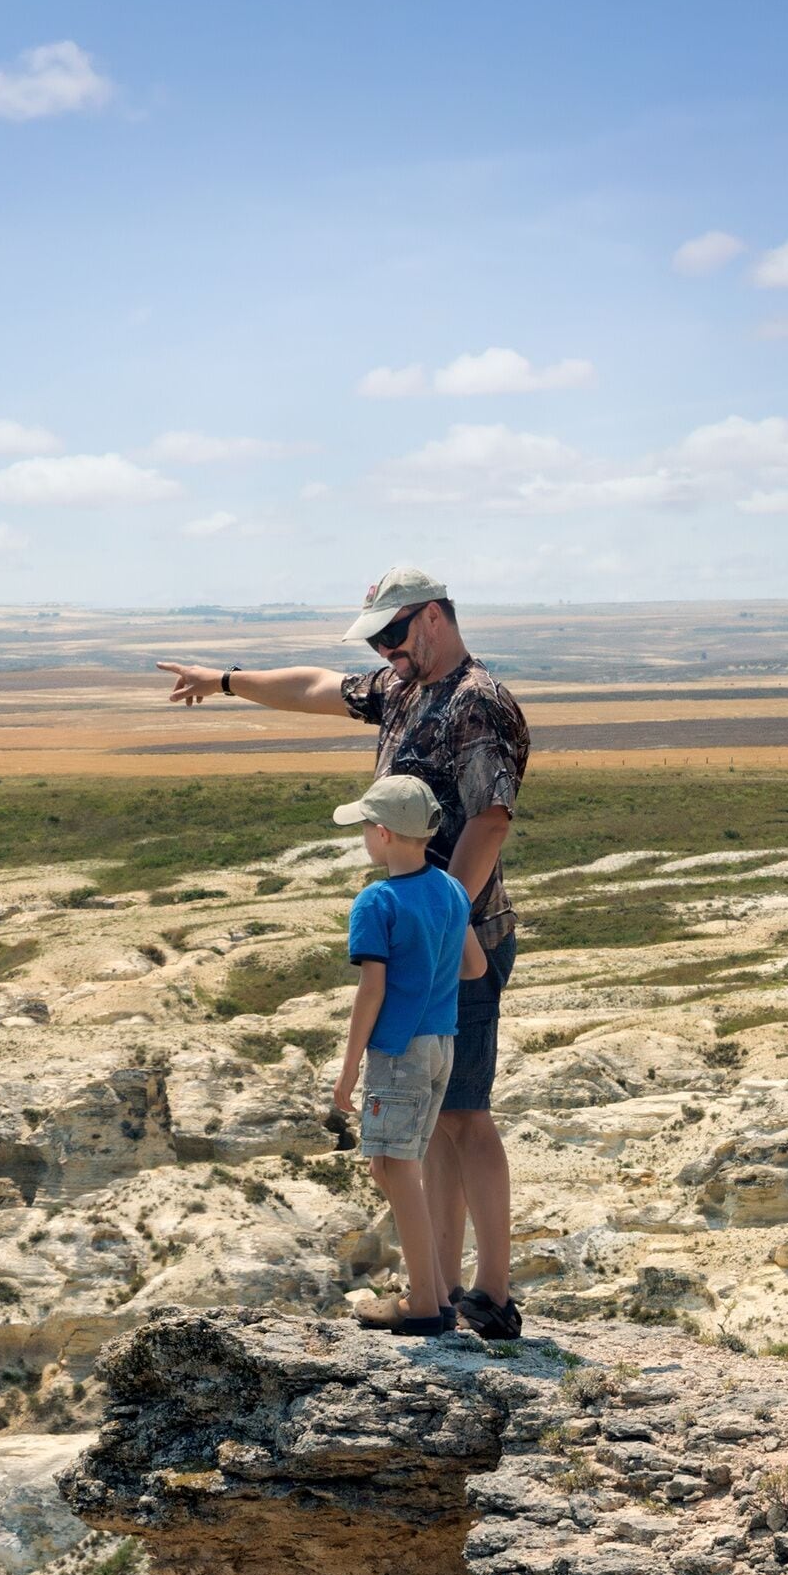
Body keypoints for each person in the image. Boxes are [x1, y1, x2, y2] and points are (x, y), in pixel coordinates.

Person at [153, 565, 529, 1338]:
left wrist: (442, 920)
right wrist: (225, 681)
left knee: (467, 1118)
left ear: (431, 619)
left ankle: (491, 1293)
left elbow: (491, 821)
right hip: (444, 934)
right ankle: (448, 1289)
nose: (386, 653)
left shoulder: (476, 704)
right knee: (442, 1120)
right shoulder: (404, 687)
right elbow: (320, 688)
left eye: (394, 635)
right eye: (379, 641)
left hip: (463, 943)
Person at [328, 774, 468, 1334]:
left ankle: (424, 1306)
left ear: (382, 834)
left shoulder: (377, 901)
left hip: (398, 1049)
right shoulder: (452, 891)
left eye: (365, 826)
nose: (363, 835)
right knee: (394, 1167)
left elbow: (373, 990)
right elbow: (471, 965)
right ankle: (434, 1292)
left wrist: (348, 1068)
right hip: (442, 1042)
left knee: (393, 1167)